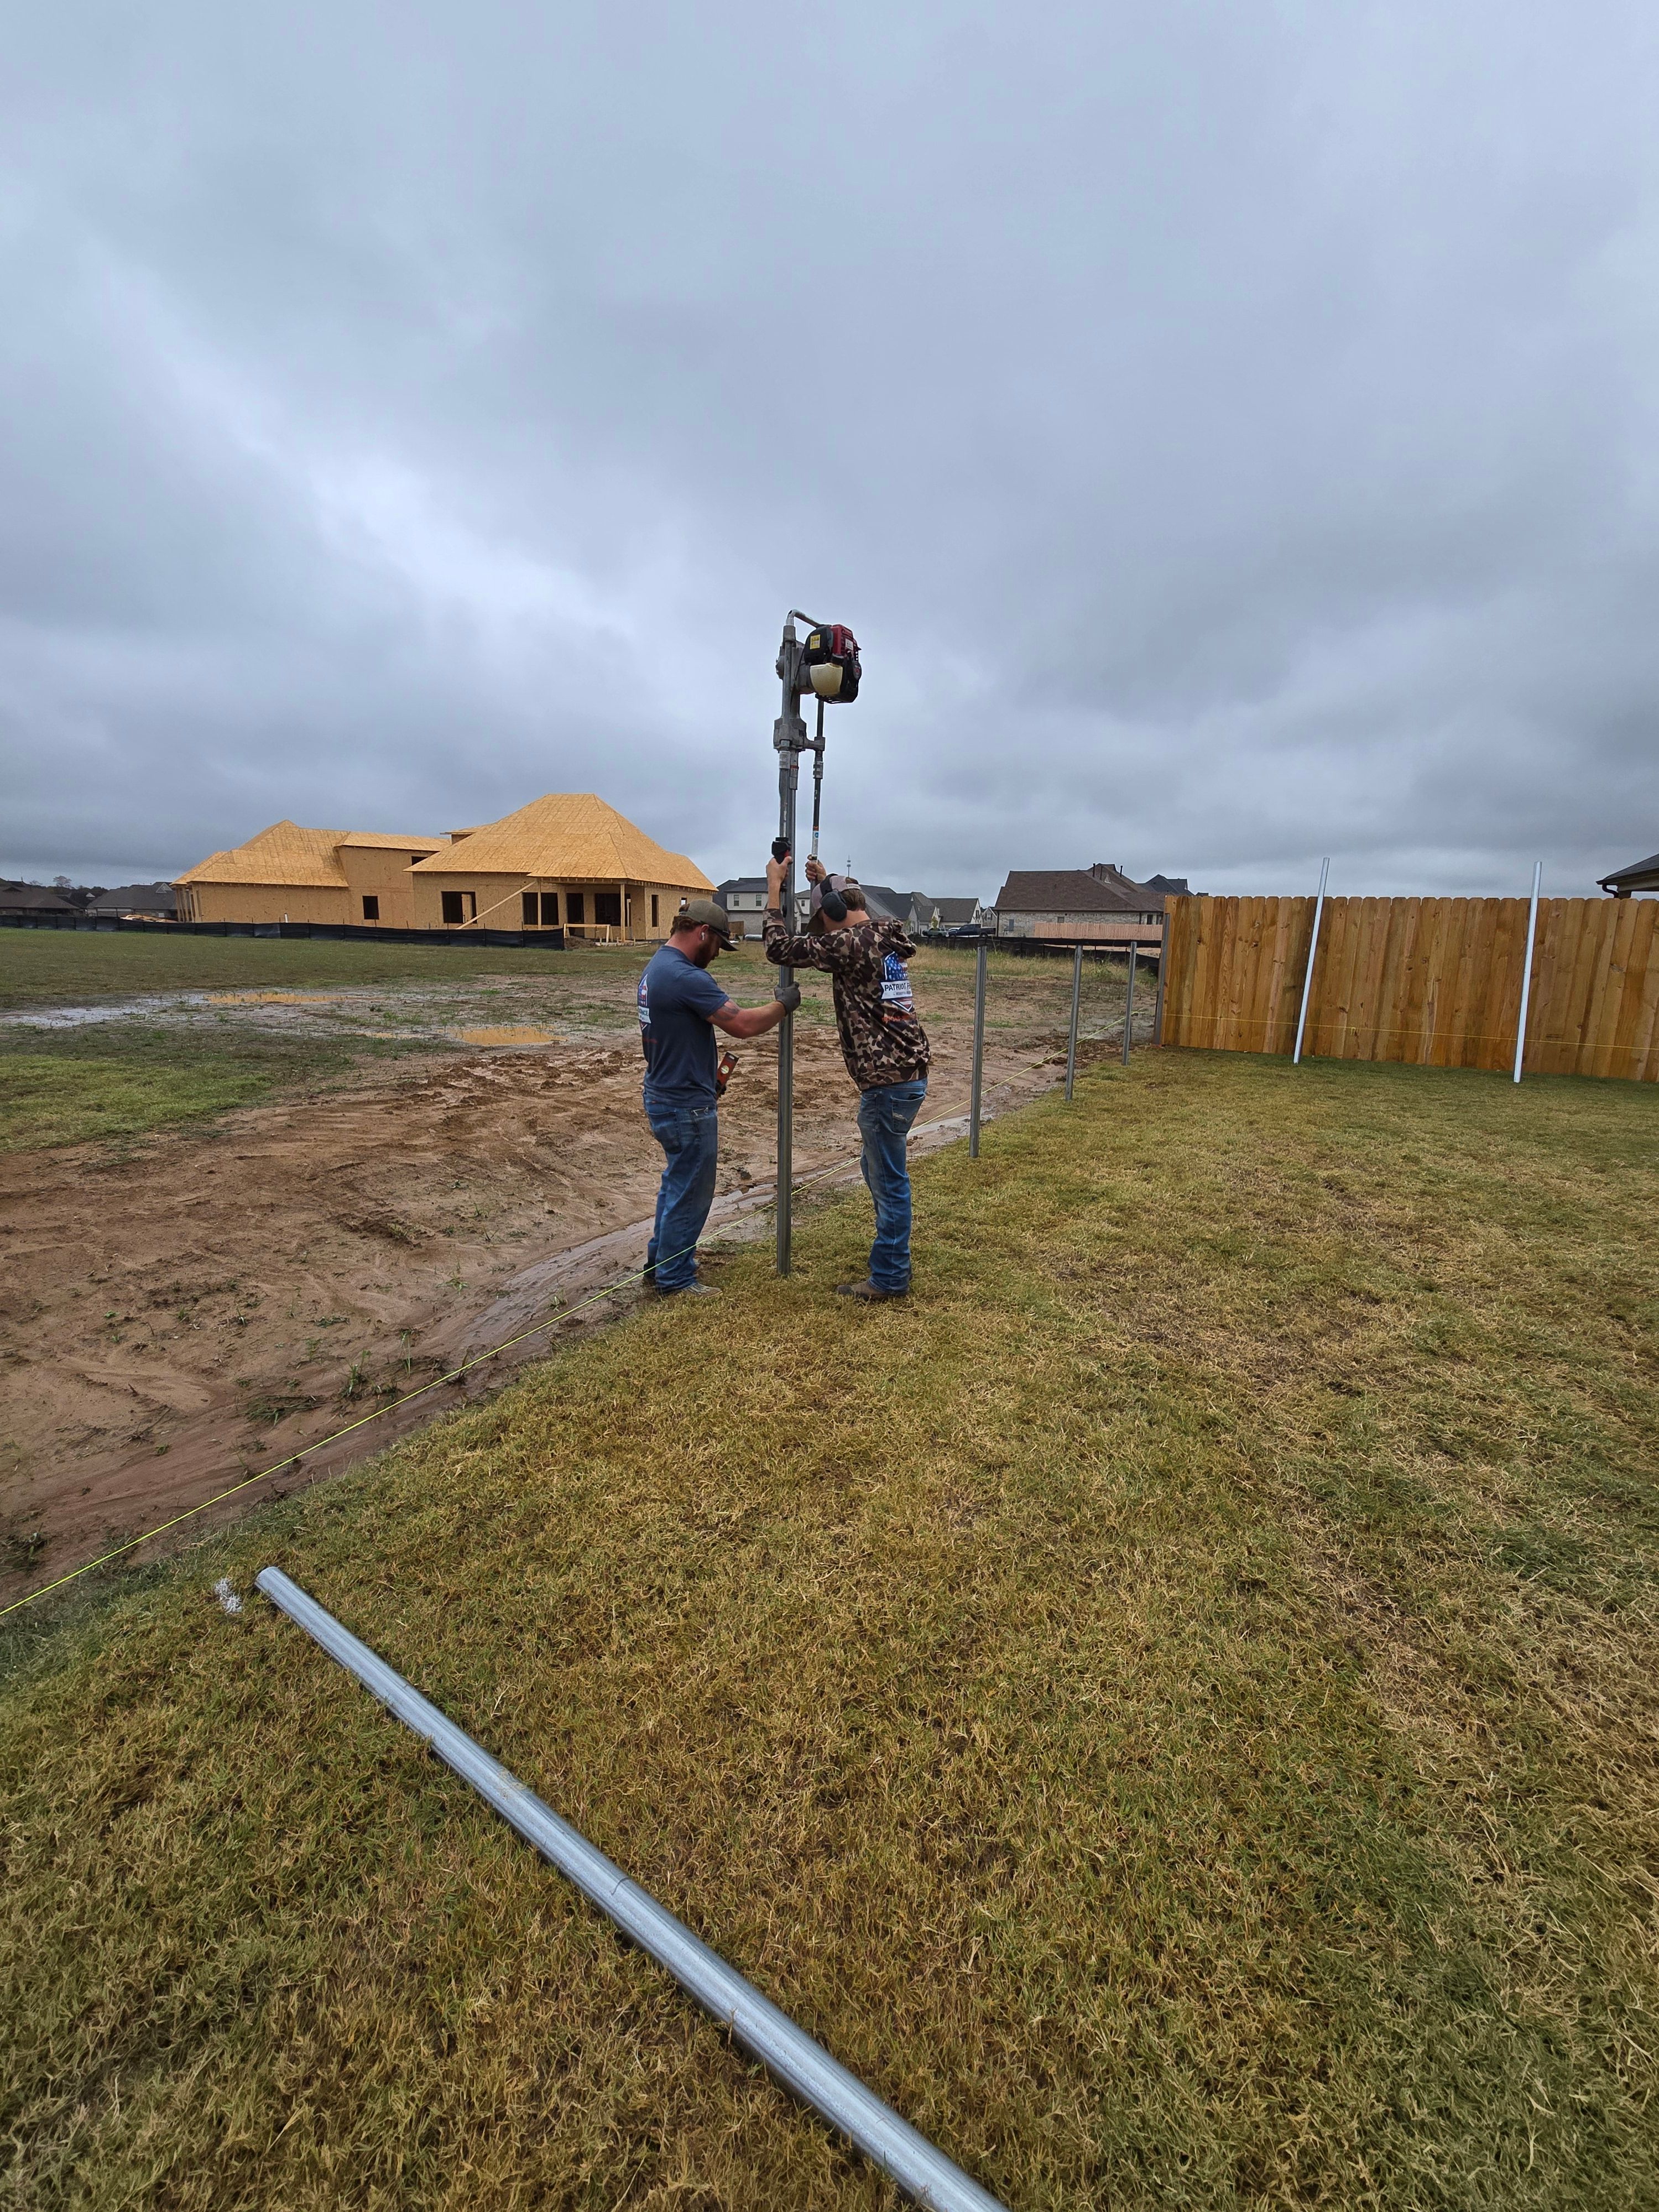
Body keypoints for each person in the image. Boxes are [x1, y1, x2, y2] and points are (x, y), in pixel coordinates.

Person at [762, 852, 930, 1300]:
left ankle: (891, 1276)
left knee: (888, 1178)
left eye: (826, 923)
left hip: (888, 1082)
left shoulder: (852, 943)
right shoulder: (885, 933)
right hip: (906, 1075)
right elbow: (844, 899)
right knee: (877, 1168)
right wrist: (824, 880)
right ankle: (892, 1261)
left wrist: (775, 889)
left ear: (837, 915)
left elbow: (779, 948)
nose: (827, 935)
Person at [638, 896, 798, 1296]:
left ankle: (660, 1264)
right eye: (717, 947)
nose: (717, 956)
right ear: (703, 933)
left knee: (677, 1185)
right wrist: (783, 1004)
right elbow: (742, 1024)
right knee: (690, 1193)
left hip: (667, 1091)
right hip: (684, 1105)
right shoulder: (685, 977)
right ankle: (675, 1279)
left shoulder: (657, 966)